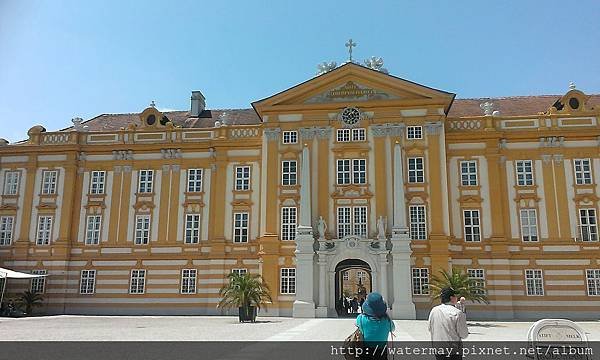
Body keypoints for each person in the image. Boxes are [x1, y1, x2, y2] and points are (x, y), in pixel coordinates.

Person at [428, 287, 469, 360]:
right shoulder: (458, 313)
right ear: (451, 298)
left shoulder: (434, 310)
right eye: (455, 296)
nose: (456, 298)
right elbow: (464, 334)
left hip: (438, 349)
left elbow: (430, 328)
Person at [355, 292, 395, 360]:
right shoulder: (387, 320)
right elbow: (393, 329)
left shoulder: (361, 318)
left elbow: (357, 325)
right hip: (382, 352)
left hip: (366, 352)